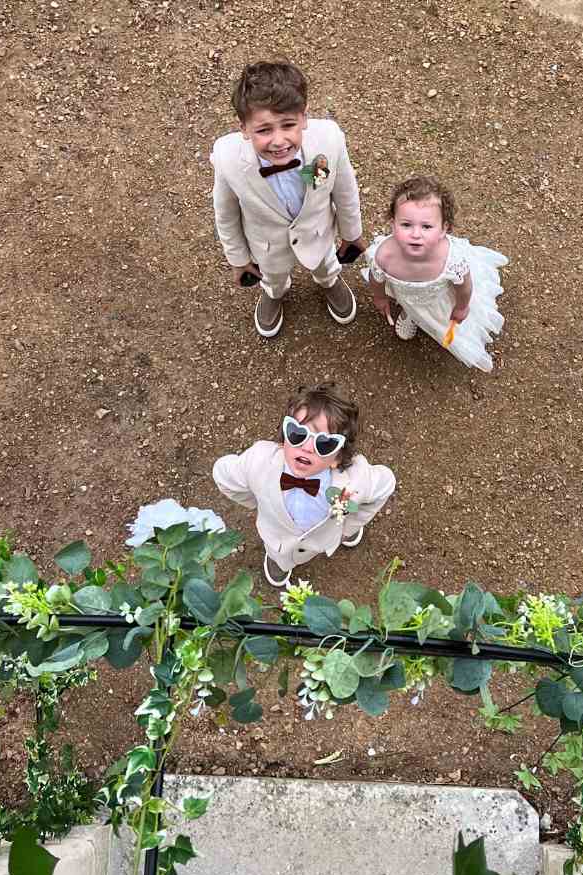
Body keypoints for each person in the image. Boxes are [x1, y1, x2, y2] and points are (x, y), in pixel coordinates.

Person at [211, 62, 367, 338]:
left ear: (304, 118)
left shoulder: (328, 141)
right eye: (264, 130)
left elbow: (344, 189)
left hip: (318, 232)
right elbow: (225, 213)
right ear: (244, 129)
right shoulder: (227, 159)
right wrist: (238, 259)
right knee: (272, 275)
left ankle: (328, 280)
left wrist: (352, 234)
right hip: (267, 245)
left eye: (288, 125)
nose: (279, 140)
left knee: (325, 261)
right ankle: (274, 291)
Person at [212, 383, 396, 587]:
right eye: (297, 434)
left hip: (326, 536)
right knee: (278, 557)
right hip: (277, 542)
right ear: (283, 440)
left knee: (347, 521)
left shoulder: (356, 481)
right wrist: (258, 500)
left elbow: (386, 484)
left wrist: (348, 525)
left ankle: (348, 534)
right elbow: (223, 474)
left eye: (324, 443)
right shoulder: (258, 463)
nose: (307, 447)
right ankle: (279, 565)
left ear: (338, 457)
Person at [363, 176, 508, 372]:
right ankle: (411, 313)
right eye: (406, 225)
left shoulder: (451, 260)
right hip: (407, 294)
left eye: (426, 226)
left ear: (443, 229)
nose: (416, 234)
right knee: (411, 304)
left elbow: (464, 286)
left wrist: (462, 306)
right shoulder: (385, 256)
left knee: (439, 319)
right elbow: (376, 278)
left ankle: (423, 317)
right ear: (393, 223)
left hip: (439, 299)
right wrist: (379, 297)